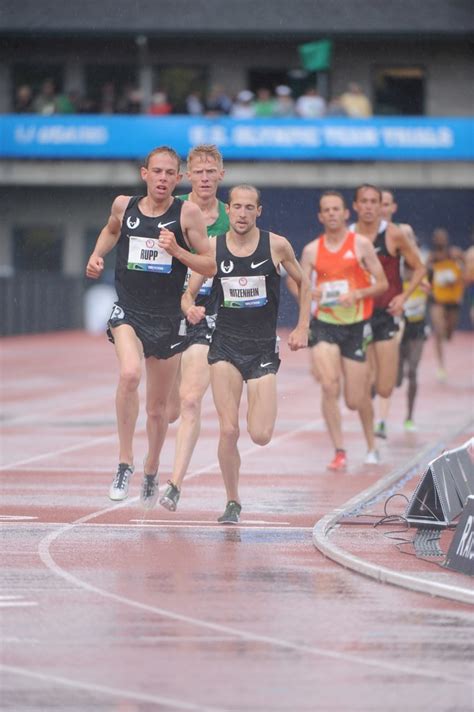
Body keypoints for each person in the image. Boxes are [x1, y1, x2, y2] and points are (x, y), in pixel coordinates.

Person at [85, 145, 215, 508]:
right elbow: (110, 232)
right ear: (145, 174)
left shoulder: (187, 214)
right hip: (129, 309)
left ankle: (152, 466)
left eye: (169, 173)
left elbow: (208, 265)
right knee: (129, 375)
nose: (161, 178)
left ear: (179, 179)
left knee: (159, 410)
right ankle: (124, 463)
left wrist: (177, 251)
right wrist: (97, 255)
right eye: (156, 172)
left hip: (168, 319)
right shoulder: (123, 206)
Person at [182, 184, 311, 524]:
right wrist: (189, 309)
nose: (241, 214)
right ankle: (232, 501)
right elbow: (189, 292)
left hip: (261, 348)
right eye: (236, 207)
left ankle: (236, 491)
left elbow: (304, 281)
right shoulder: (213, 246)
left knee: (261, 435)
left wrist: (302, 326)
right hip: (224, 344)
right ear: (229, 210)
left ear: (259, 211)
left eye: (248, 207)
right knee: (228, 431)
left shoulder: (277, 245)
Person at [289, 191, 388, 470]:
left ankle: (371, 444)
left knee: (356, 399)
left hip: (355, 325)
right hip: (324, 325)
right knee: (329, 384)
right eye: (326, 210)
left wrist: (358, 294)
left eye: (336, 209)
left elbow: (381, 284)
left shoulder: (362, 245)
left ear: (346, 214)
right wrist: (310, 293)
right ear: (320, 216)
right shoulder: (311, 250)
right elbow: (296, 283)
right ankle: (339, 450)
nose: (332, 214)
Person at [159, 144, 229, 512]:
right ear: (187, 176)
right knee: (167, 409)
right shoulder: (173, 209)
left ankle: (174, 485)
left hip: (207, 315)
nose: (204, 178)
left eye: (210, 171)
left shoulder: (233, 219)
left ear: (221, 175)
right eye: (198, 172)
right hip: (167, 313)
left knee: (189, 400)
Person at [350, 185, 426, 457]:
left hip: (388, 315)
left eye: (375, 202)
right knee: (364, 378)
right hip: (359, 315)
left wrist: (403, 297)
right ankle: (372, 443)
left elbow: (419, 267)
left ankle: (372, 400)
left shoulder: (394, 235)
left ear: (382, 205)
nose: (370, 207)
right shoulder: (349, 235)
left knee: (384, 385)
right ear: (356, 206)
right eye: (365, 202)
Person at [374, 189, 422, 438]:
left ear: (393, 207)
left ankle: (392, 419)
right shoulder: (360, 233)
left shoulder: (403, 232)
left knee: (400, 371)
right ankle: (375, 414)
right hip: (370, 309)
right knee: (378, 372)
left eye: (386, 204)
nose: (381, 208)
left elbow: (417, 265)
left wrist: (412, 286)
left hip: (399, 308)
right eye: (377, 203)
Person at [426, 228, 465, 381]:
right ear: (434, 240)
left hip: (452, 299)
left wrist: (461, 261)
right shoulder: (431, 258)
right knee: (439, 329)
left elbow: (465, 267)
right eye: (438, 238)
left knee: (448, 333)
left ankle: (446, 333)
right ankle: (441, 367)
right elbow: (425, 275)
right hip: (437, 299)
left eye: (443, 238)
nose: (440, 241)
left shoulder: (454, 254)